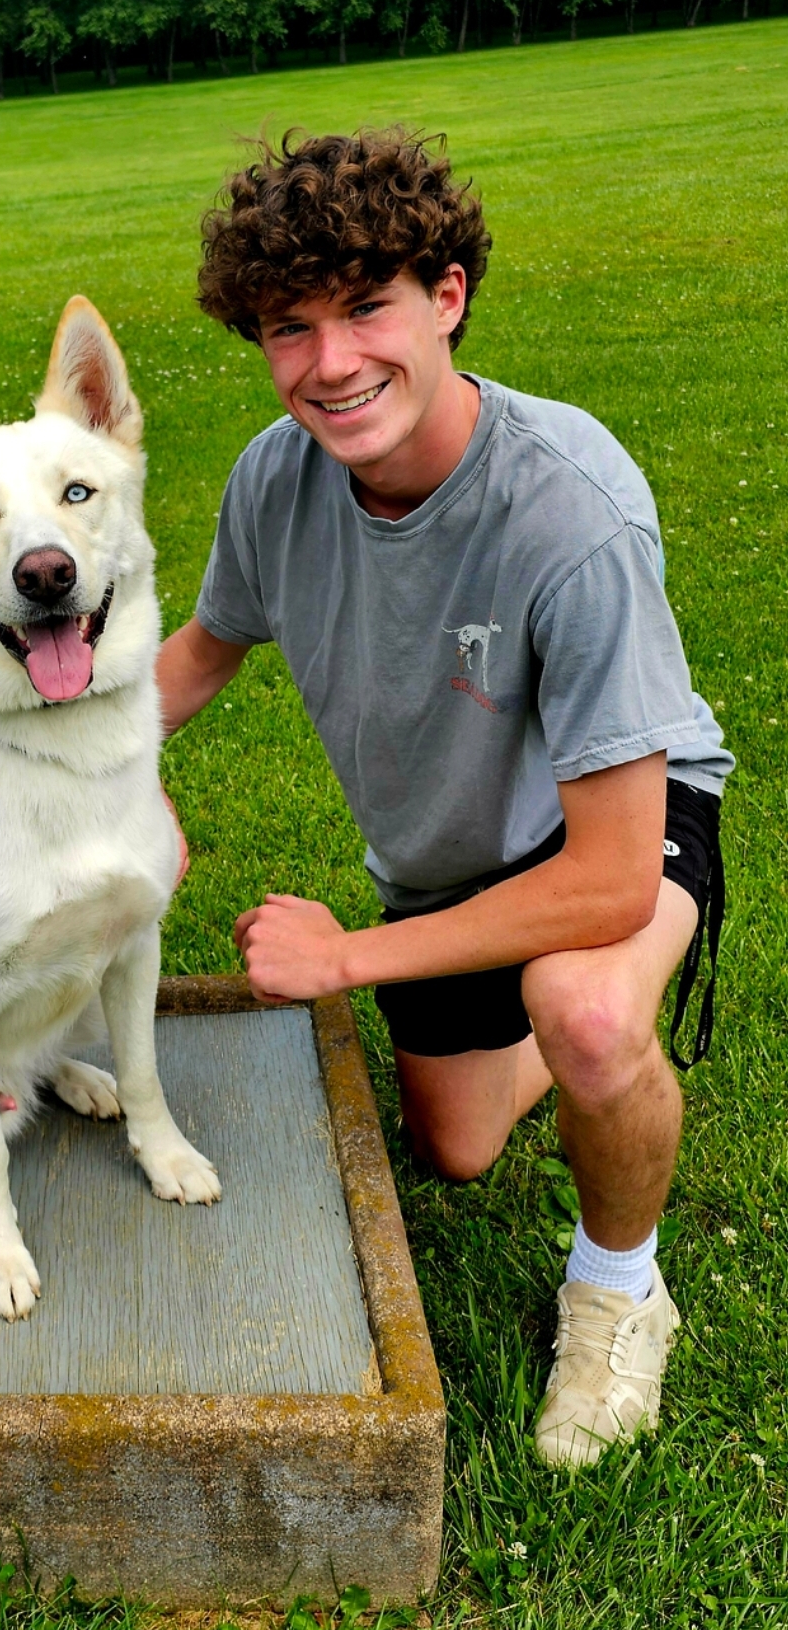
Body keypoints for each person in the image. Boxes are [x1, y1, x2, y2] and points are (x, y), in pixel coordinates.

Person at [157, 130, 730, 1469]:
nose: (332, 361)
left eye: (368, 305)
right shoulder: (272, 480)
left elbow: (606, 880)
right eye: (289, 326)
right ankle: (567, 1039)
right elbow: (197, 658)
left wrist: (349, 955)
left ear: (449, 296)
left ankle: (620, 1288)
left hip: (613, 831)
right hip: (450, 859)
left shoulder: (569, 510)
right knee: (458, 1145)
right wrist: (92, 777)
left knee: (582, 1006)